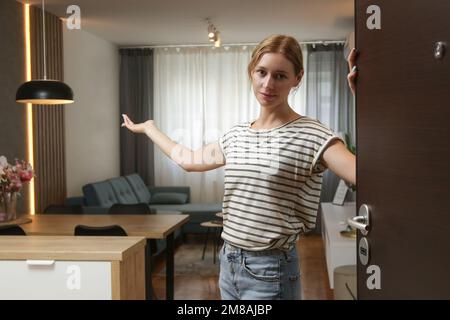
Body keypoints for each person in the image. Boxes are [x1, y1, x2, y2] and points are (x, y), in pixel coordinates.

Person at [122, 35, 358, 300]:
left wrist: (367, 103)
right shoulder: (236, 135)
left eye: (280, 76)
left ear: (297, 78)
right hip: (229, 261)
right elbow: (188, 160)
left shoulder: (312, 134)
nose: (268, 84)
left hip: (271, 269)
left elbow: (363, 174)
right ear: (251, 72)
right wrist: (150, 129)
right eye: (262, 72)